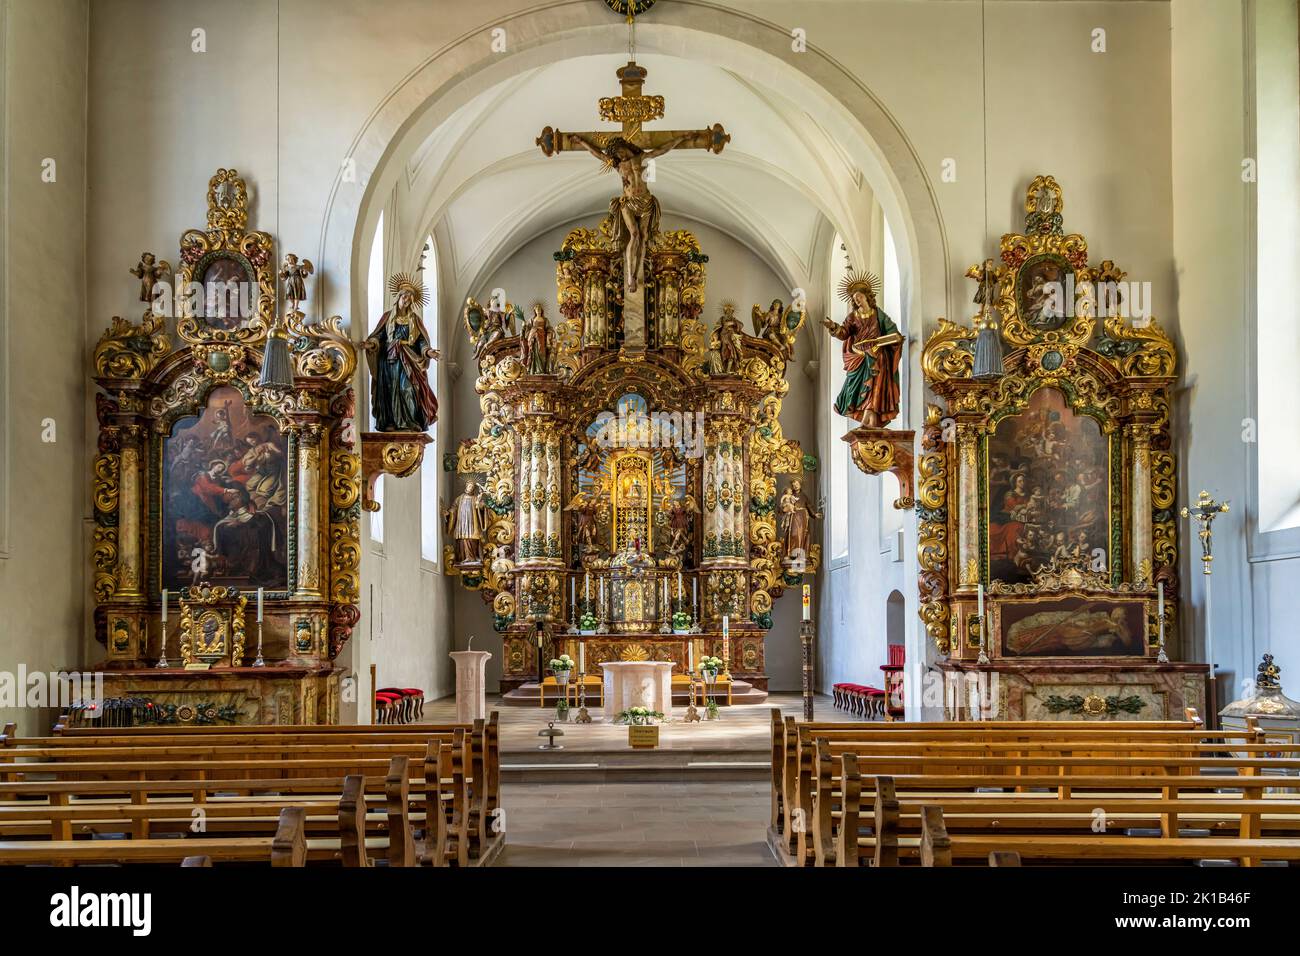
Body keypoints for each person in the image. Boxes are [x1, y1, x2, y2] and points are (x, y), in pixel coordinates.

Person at [823, 272, 903, 427]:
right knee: (859, 386)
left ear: (866, 296)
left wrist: (896, 339)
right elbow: (844, 333)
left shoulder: (878, 314)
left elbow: (892, 331)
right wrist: (833, 327)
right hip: (860, 356)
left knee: (876, 388)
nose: (857, 300)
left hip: (878, 356)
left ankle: (870, 418)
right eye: (854, 298)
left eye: (858, 296)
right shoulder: (853, 316)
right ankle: (867, 417)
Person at [364, 274, 440, 431]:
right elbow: (379, 335)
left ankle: (408, 422)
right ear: (398, 296)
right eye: (404, 295)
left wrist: (428, 352)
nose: (407, 299)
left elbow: (421, 341)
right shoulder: (387, 317)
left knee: (408, 389)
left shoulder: (415, 320)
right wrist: (372, 343)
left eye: (410, 297)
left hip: (408, 359)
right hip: (389, 359)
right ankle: (391, 423)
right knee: (390, 389)